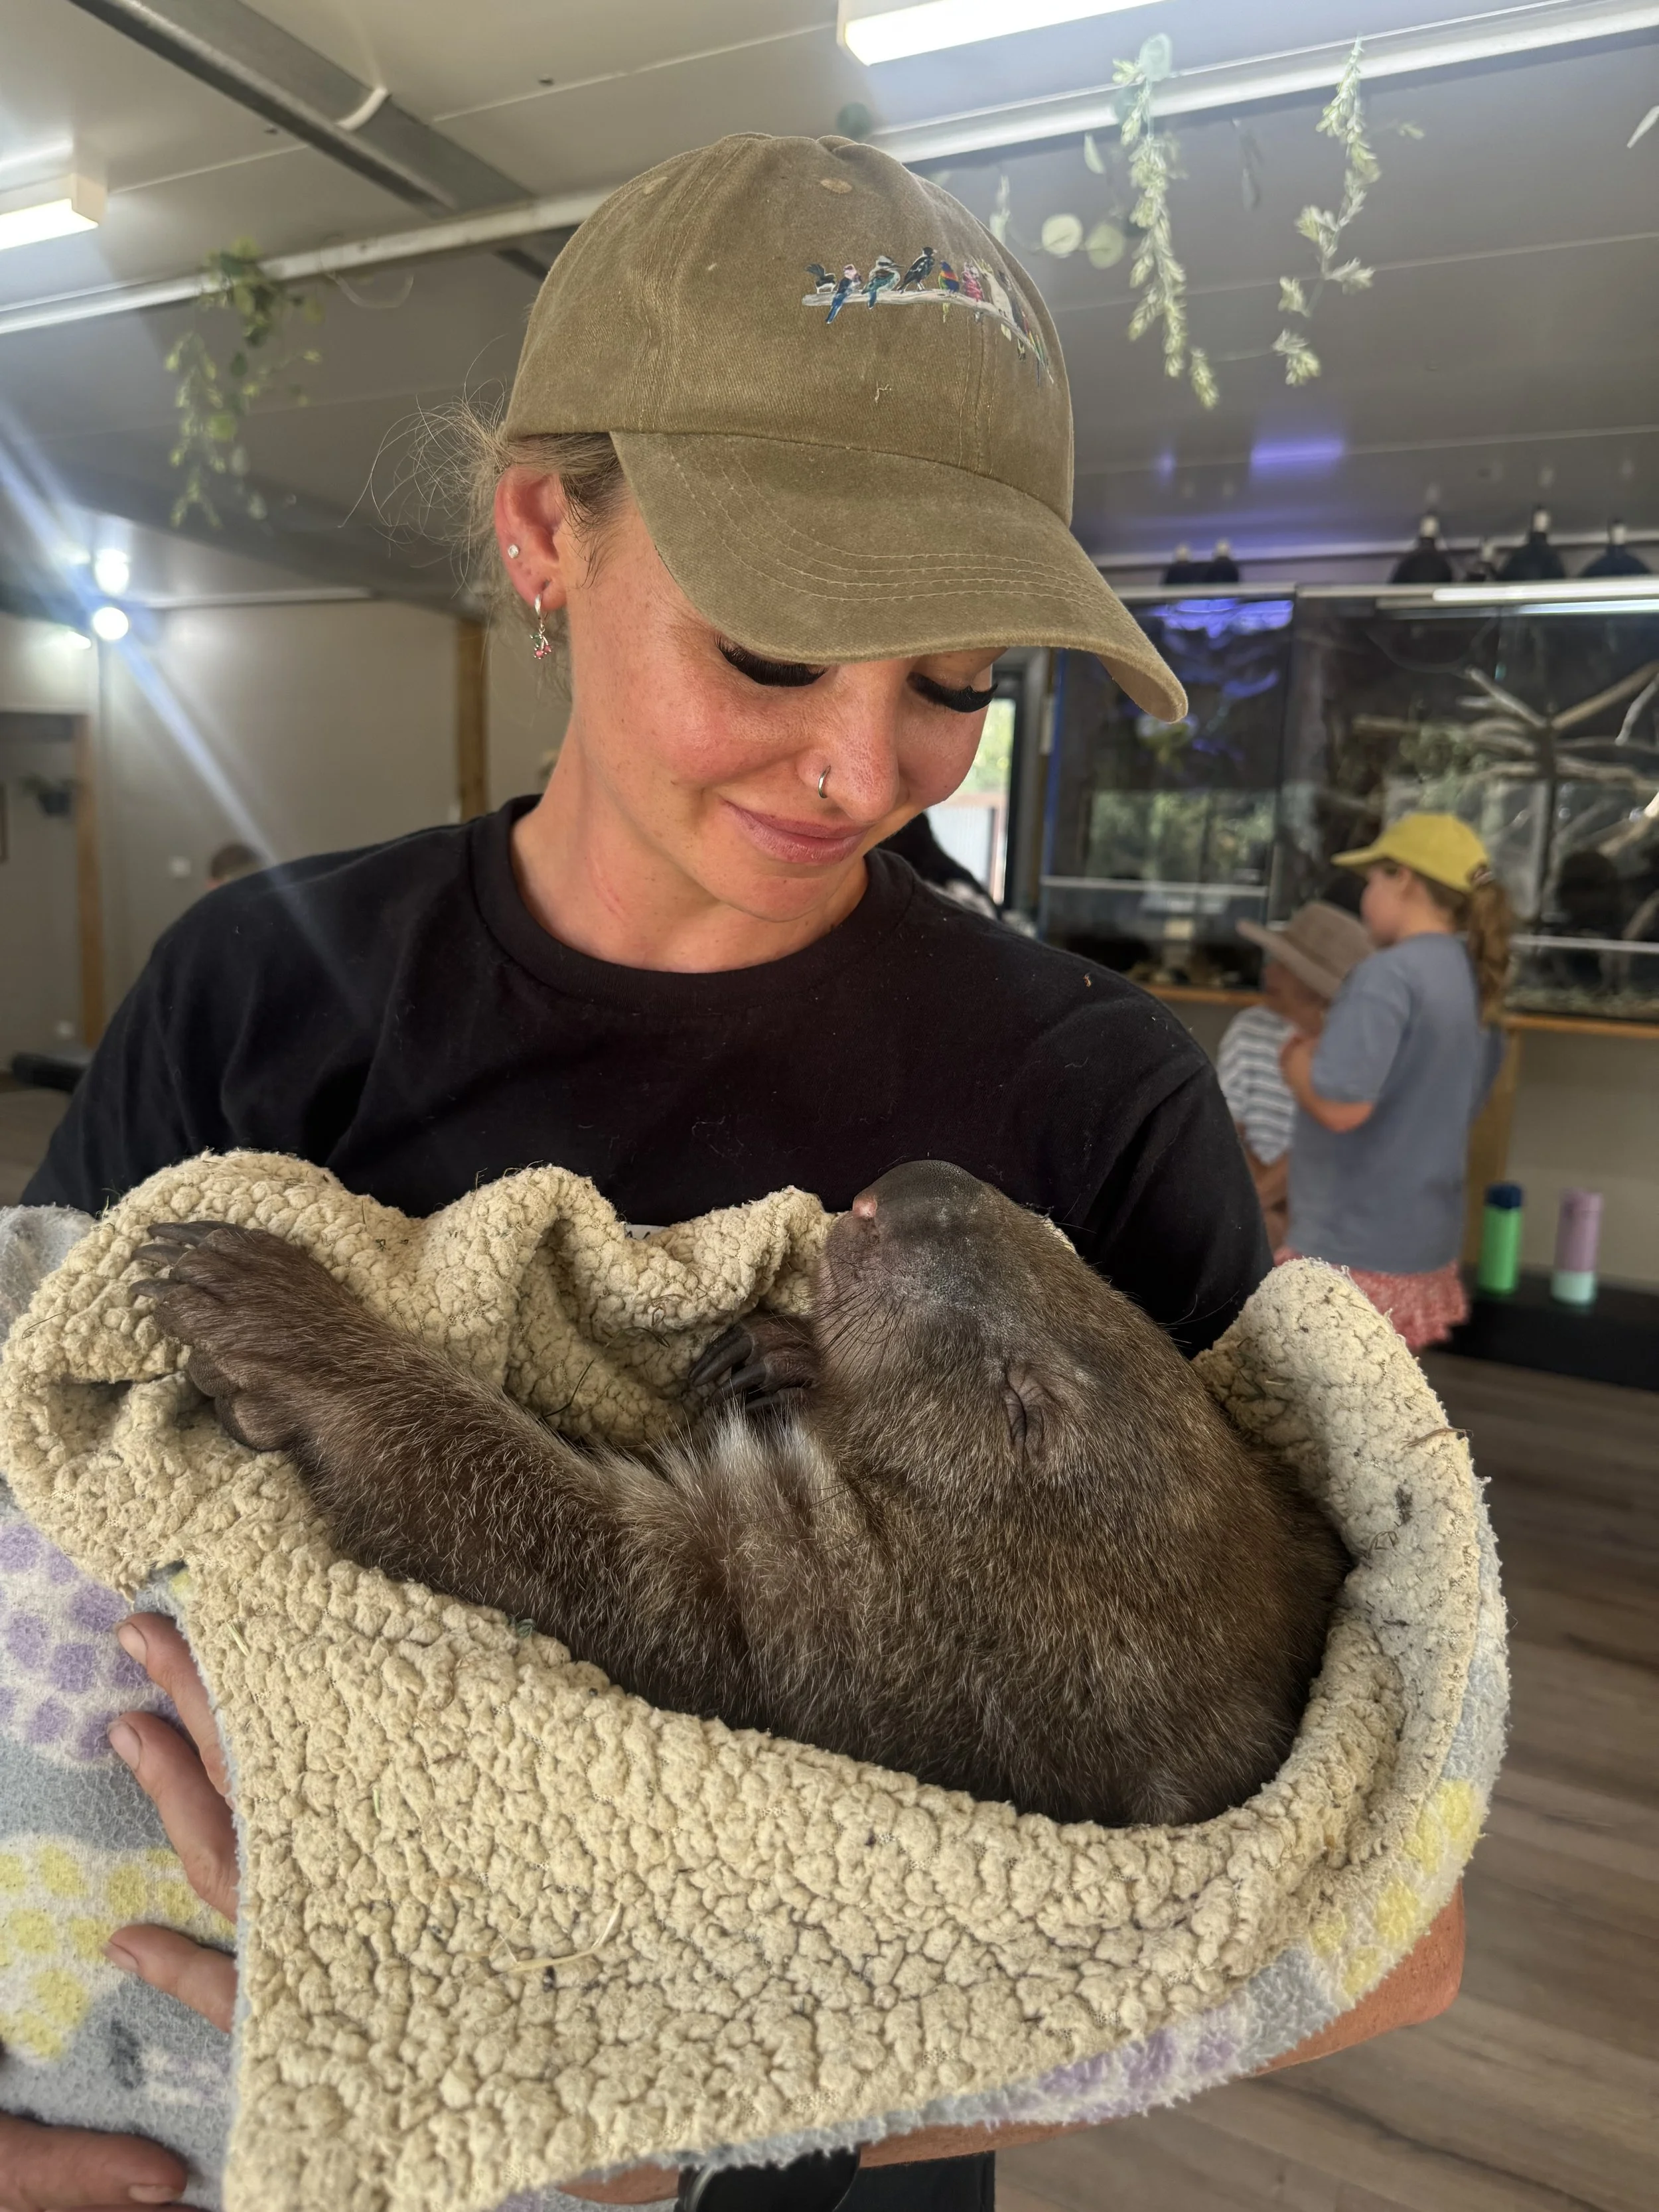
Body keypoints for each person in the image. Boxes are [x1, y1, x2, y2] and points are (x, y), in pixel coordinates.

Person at [7, 133, 1268, 2210]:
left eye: (955, 677)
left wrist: (625, 2096)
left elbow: (1330, 1927)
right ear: (542, 532)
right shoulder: (264, 992)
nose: (870, 767)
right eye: (774, 650)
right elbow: (41, 1560)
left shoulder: (1085, 1095)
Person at [1277, 814, 1512, 1353]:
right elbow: (1468, 1098)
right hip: (1423, 1243)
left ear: (1400, 876)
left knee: (1313, 1414)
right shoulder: (1473, 975)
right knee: (1383, 1404)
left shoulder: (1388, 975)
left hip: (1352, 1246)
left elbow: (1341, 1108)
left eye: (1372, 880)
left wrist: (1294, 1061)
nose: (1366, 897)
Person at [1222, 903, 1373, 1248]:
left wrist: (1253, 1207)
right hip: (1256, 1204)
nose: (1268, 973)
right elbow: (1225, 1128)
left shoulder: (1359, 1050)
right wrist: (1259, 1211)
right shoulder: (1249, 1028)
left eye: (1284, 965)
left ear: (1317, 990)